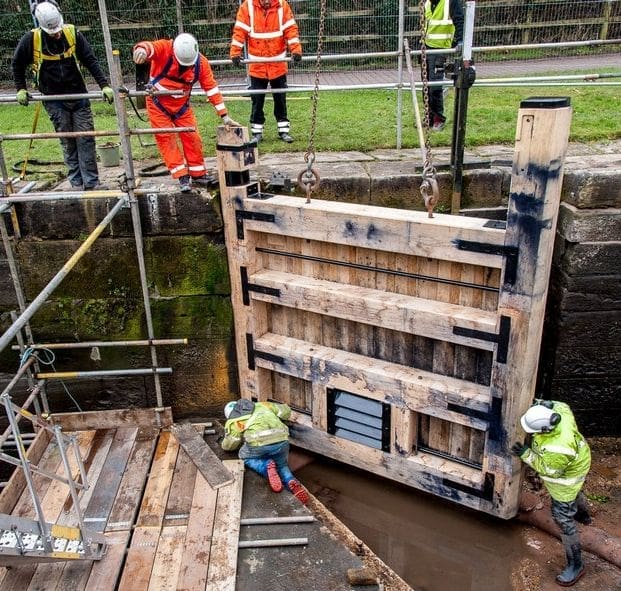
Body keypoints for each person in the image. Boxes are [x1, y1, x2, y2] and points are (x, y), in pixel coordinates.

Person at [12, 1, 114, 190]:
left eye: (58, 30)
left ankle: (91, 182)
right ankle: (76, 183)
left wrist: (104, 85)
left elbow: (90, 60)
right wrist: (21, 88)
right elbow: (17, 63)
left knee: (85, 138)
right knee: (68, 140)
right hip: (54, 100)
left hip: (79, 96)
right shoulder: (32, 40)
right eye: (53, 32)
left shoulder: (72, 33)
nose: (57, 34)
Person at [132, 33, 239, 192]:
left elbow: (211, 88)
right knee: (166, 140)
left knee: (192, 137)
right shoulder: (165, 48)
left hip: (182, 107)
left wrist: (224, 115)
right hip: (158, 105)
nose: (184, 68)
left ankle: (198, 174)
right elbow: (149, 47)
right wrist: (140, 50)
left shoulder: (201, 63)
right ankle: (182, 176)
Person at [512, 400, 592, 587]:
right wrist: (546, 404)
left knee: (562, 518)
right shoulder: (561, 416)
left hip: (563, 483)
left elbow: (547, 469)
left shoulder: (557, 448)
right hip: (580, 462)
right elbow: (563, 406)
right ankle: (584, 515)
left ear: (546, 430)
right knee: (576, 489)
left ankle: (576, 565)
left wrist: (526, 454)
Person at [230, 0, 302, 144]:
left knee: (280, 98)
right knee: (257, 100)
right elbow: (239, 31)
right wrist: (235, 52)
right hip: (257, 65)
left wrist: (296, 49)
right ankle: (257, 132)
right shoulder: (248, 7)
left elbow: (290, 29)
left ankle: (283, 130)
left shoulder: (282, 6)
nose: (266, 2)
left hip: (277, 63)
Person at [221, 398, 309, 504]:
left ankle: (266, 466)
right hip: (282, 441)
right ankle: (291, 481)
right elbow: (286, 411)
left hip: (259, 445)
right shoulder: (263, 405)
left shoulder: (234, 420)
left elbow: (230, 445)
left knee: (244, 455)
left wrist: (225, 443)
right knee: (282, 465)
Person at [421, 0, 466, 131]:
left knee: (435, 85)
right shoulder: (428, 3)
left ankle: (438, 119)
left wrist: (460, 40)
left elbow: (459, 19)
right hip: (427, 47)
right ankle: (429, 116)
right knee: (426, 84)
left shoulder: (451, 2)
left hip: (441, 48)